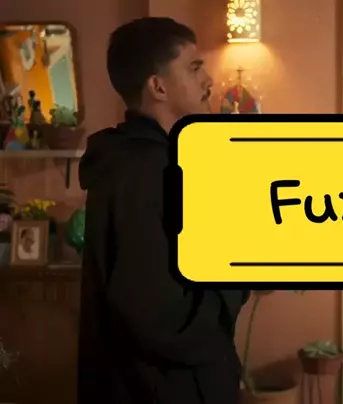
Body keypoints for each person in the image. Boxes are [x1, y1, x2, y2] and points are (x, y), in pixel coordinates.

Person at [77, 18, 260, 404]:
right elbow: (162, 317)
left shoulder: (161, 162)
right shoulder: (141, 174)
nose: (209, 80)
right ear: (158, 87)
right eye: (194, 68)